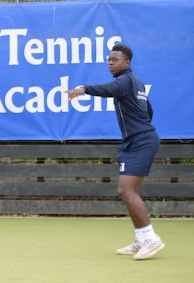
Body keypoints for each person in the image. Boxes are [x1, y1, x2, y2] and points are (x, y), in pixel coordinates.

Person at [65, 44, 165, 260]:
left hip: (142, 141)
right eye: (108, 59)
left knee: (127, 190)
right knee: (126, 191)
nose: (110, 62)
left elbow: (110, 90)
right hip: (136, 140)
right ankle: (141, 239)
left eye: (115, 59)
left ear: (126, 63)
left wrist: (84, 88)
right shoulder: (135, 83)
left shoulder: (124, 81)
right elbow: (148, 109)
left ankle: (151, 239)